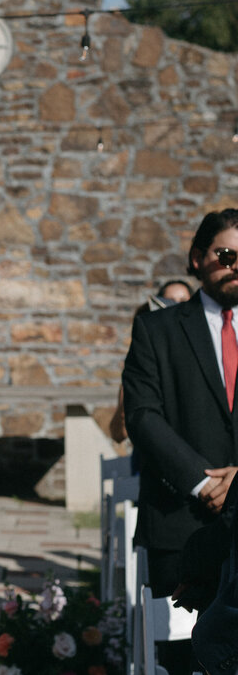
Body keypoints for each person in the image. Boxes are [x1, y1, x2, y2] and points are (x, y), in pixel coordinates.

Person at [124, 209, 238, 600]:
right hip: (180, 524)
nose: (235, 266)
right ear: (197, 259)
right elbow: (142, 416)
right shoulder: (157, 331)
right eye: (226, 256)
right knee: (179, 657)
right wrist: (203, 482)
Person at [109, 279, 194, 443]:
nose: (175, 307)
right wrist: (126, 409)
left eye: (183, 302)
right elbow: (118, 434)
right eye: (169, 301)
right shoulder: (145, 368)